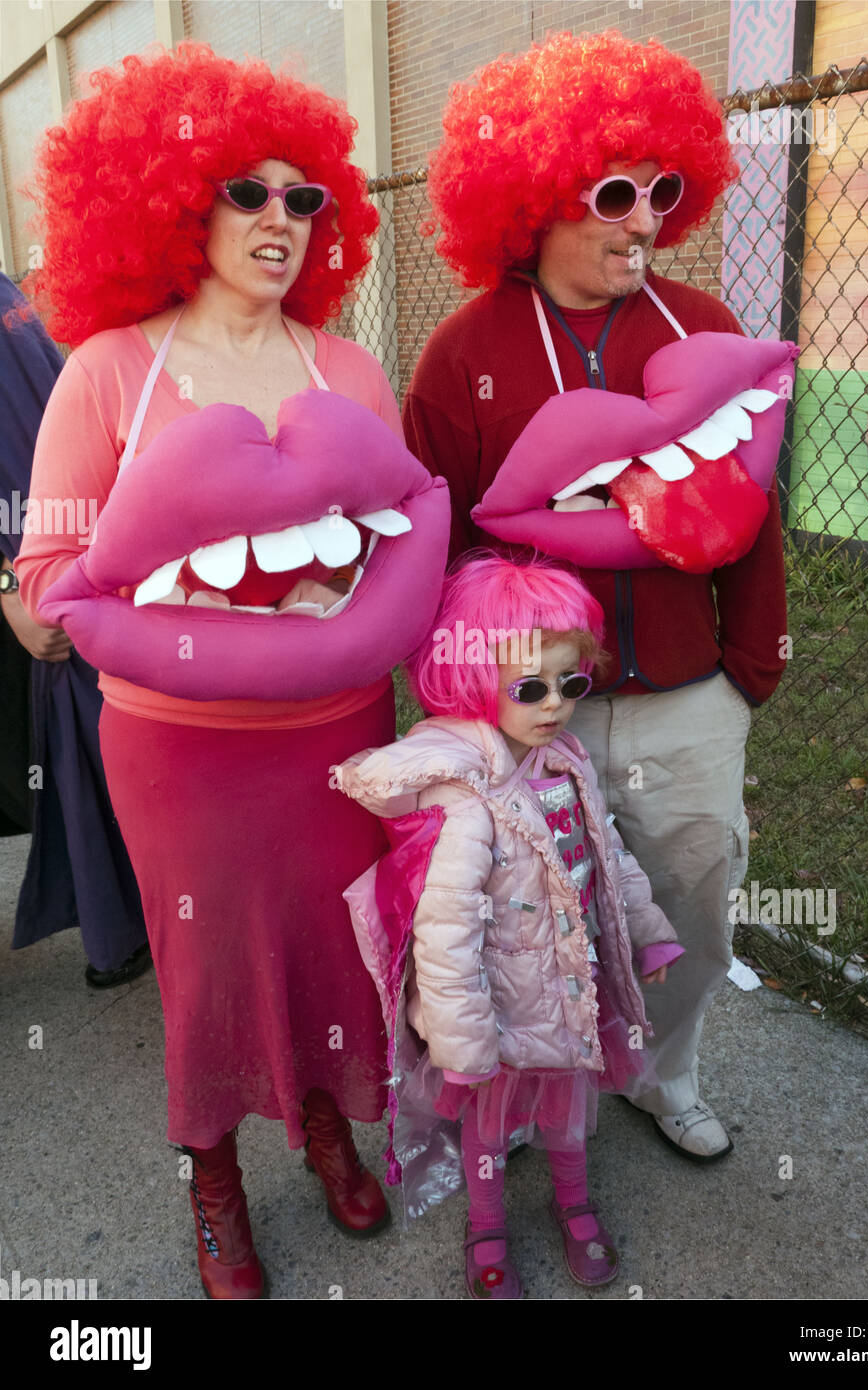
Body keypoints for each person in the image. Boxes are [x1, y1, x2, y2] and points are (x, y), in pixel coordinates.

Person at [16, 43, 448, 1299]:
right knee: (205, 966)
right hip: (181, 752)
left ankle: (325, 1127)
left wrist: (347, 603)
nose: (278, 221)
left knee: (332, 944)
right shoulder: (105, 373)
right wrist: (206, 602)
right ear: (170, 200)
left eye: (301, 197)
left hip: (338, 731)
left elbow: (404, 536)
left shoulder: (349, 370)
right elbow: (49, 592)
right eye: (243, 193)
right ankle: (213, 1179)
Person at [403, 30, 790, 1163]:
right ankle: (530, 1093)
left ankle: (659, 1074)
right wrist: (466, 714)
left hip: (683, 692)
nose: (642, 218)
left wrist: (747, 667)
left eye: (661, 189)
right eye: (612, 191)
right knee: (527, 916)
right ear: (533, 200)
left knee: (693, 904)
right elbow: (440, 549)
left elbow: (750, 514)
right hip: (522, 712)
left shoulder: (708, 332)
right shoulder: (459, 355)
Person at [338, 555, 683, 1299]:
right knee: (489, 1134)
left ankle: (575, 1205)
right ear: (472, 680)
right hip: (498, 1014)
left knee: (568, 1118)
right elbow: (445, 933)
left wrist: (647, 928)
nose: (555, 703)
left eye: (571, 683)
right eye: (530, 688)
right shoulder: (469, 804)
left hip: (569, 992)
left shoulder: (566, 763)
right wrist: (462, 1041)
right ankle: (486, 1228)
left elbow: (609, 852)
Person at [0, 274, 149, 988]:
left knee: (102, 735)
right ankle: (113, 932)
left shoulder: (7, 294)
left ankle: (131, 924)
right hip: (30, 576)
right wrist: (7, 585)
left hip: (82, 559)